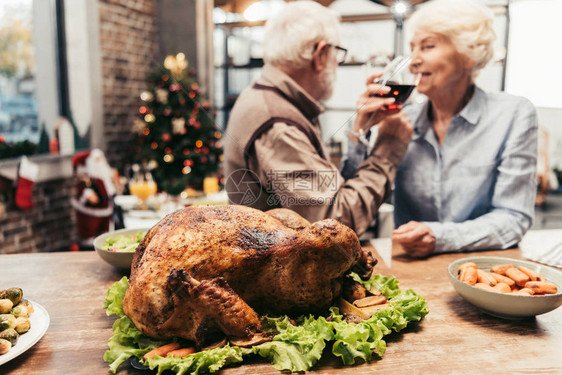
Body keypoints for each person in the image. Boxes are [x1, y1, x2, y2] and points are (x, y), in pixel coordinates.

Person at [345, 0, 538, 257]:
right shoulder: (401, 121)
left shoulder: (513, 115)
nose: (413, 60)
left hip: (482, 272)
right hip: (410, 276)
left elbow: (514, 218)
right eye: (412, 48)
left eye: (428, 46)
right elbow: (352, 208)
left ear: (468, 55)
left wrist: (439, 236)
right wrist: (361, 132)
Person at [223, 0, 413, 236]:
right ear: (321, 54)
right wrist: (388, 148)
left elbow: (329, 193)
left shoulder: (268, 98)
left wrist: (358, 135)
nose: (337, 63)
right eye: (338, 53)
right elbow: (333, 228)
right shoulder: (278, 124)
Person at [71, 149, 117, 244]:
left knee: (105, 233)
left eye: (101, 158)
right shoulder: (87, 179)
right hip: (91, 212)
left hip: (106, 209)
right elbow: (81, 192)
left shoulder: (106, 176)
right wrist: (87, 194)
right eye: (96, 159)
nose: (99, 162)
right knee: (90, 232)